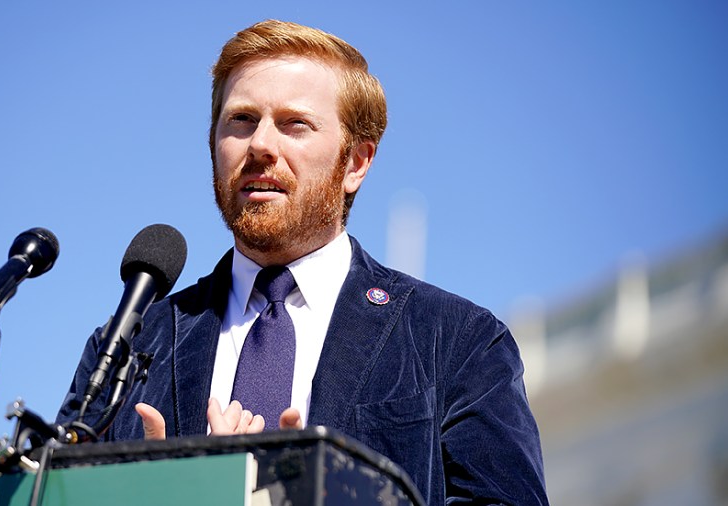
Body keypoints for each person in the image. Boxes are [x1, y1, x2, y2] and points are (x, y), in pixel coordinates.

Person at [58, 19, 548, 504]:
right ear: (213, 145)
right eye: (241, 121)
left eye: (294, 124)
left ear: (355, 162)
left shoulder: (458, 342)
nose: (261, 146)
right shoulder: (123, 349)